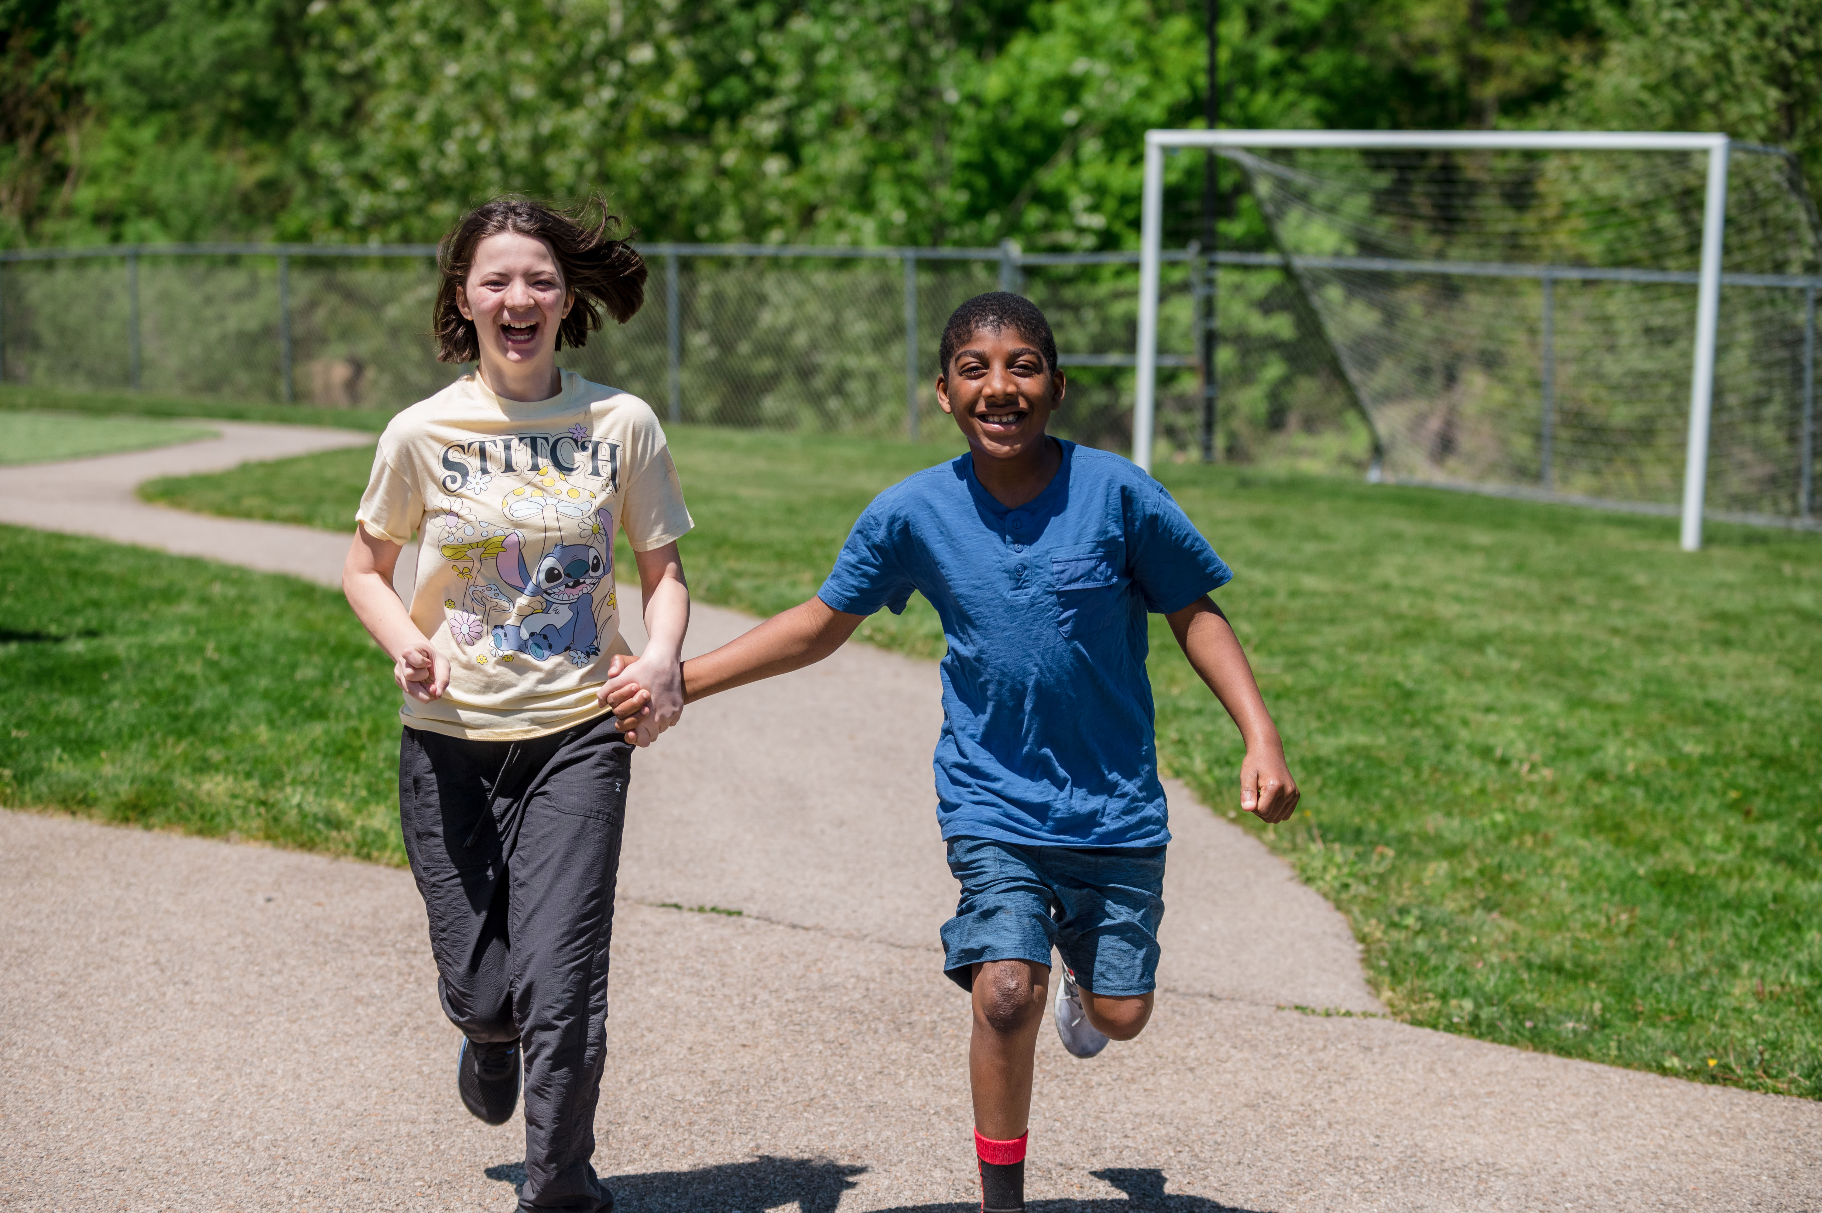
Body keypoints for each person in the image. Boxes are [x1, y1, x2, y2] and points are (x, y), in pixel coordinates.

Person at [605, 292, 1299, 1213]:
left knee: (1123, 1017)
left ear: (1058, 386)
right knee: (1004, 989)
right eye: (975, 368)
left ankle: (1087, 993)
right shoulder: (914, 513)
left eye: (1022, 367)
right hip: (993, 803)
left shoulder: (1120, 493)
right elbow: (819, 625)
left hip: (1113, 808)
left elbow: (1193, 612)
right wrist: (681, 678)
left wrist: (1261, 735)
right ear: (943, 392)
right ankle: (999, 1202)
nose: (999, 386)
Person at [342, 196, 692, 1213]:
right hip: (449, 743)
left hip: (579, 734)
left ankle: (559, 1186)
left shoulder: (619, 423)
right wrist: (408, 642)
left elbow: (664, 570)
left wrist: (662, 657)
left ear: (566, 295)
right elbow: (365, 567)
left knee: (563, 978)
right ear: (464, 299)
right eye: (496, 279)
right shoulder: (419, 431)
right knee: (483, 988)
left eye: (538, 277)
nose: (519, 297)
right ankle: (484, 1033)